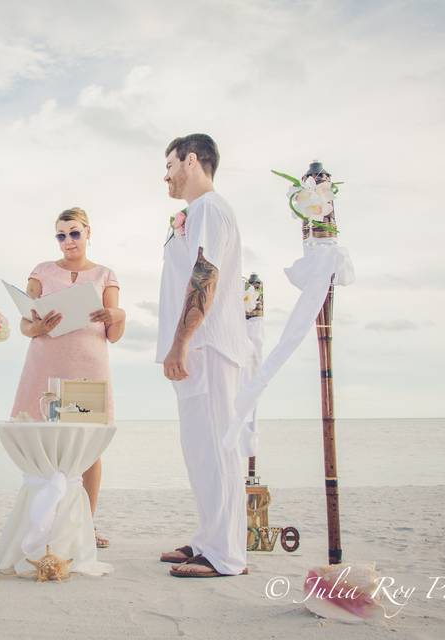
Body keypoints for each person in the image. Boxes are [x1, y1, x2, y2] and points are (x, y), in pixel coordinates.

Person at [155, 134, 252, 577]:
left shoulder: (210, 208)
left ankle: (226, 554)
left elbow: (205, 272)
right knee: (199, 448)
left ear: (192, 160)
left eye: (170, 163)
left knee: (216, 447)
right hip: (198, 345)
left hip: (207, 344)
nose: (166, 174)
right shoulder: (194, 214)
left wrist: (181, 342)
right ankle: (208, 538)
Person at [10, 207, 125, 549]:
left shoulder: (106, 274)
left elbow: (114, 333)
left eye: (74, 233)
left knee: (88, 448)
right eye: (61, 235)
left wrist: (116, 314)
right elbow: (24, 324)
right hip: (45, 365)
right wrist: (37, 326)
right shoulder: (41, 272)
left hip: (87, 366)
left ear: (88, 232)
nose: (68, 241)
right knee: (44, 444)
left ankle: (85, 525)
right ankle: (43, 523)